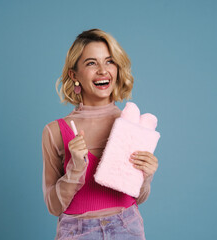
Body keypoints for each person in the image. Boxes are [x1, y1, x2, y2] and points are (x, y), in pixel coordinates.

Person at [42, 29, 159, 240]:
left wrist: (146, 176)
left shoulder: (132, 125)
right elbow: (53, 205)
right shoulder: (55, 131)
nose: (103, 70)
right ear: (74, 74)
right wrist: (75, 169)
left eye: (109, 61)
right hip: (76, 232)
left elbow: (138, 197)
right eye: (91, 63)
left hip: (127, 228)